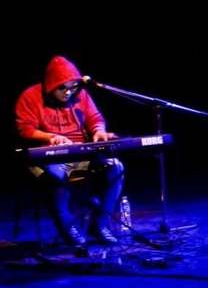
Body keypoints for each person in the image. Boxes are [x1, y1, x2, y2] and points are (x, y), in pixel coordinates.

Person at [14, 55, 126, 247]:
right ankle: (67, 227)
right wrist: (51, 137)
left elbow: (95, 118)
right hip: (49, 157)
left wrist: (99, 131)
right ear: (51, 85)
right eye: (62, 88)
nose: (69, 92)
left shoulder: (81, 95)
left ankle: (99, 224)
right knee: (56, 174)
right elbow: (25, 128)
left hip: (81, 154)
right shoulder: (30, 96)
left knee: (115, 166)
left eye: (73, 87)